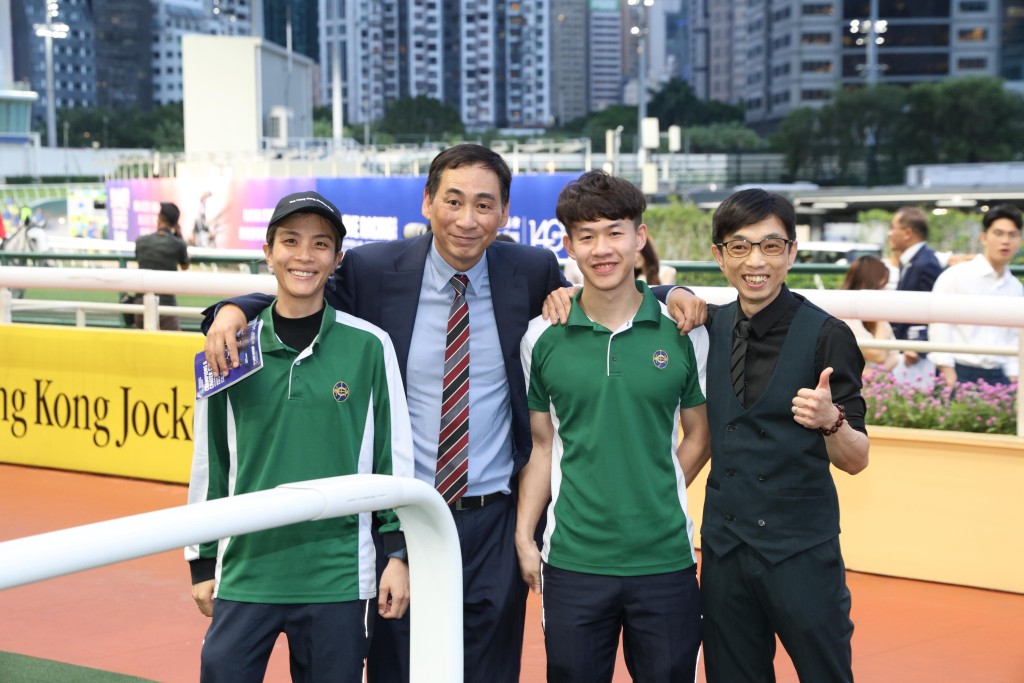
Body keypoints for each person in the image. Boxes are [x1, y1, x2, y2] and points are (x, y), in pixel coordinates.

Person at [200, 144, 707, 683]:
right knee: (397, 667)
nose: (468, 219)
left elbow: (609, 290)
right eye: (454, 201)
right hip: (405, 515)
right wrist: (232, 310)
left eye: (484, 205)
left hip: (494, 520)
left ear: (504, 213)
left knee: (490, 670)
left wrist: (674, 292)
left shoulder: (530, 270)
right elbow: (301, 288)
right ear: (427, 202)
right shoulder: (374, 270)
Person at [186, 191, 414, 682]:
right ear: (268, 253)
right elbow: (211, 459)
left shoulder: (371, 346)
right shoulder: (228, 348)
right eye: (290, 241)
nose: (304, 256)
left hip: (339, 576)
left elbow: (392, 459)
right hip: (246, 568)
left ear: (337, 259)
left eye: (320, 244)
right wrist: (201, 560)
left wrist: (398, 555)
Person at [517, 171, 709, 682]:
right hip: (573, 560)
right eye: (587, 236)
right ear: (569, 246)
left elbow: (700, 435)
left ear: (639, 237)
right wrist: (523, 535)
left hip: (665, 559)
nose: (602, 249)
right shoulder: (541, 336)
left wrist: (654, 489)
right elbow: (542, 446)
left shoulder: (684, 330)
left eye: (615, 232)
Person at [684, 188, 869, 683]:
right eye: (739, 246)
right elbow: (642, 296)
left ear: (791, 252)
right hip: (724, 549)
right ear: (719, 255)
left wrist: (831, 420)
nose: (755, 261)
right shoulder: (710, 325)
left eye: (770, 245)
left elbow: (857, 459)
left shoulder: (828, 335)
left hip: (801, 552)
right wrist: (676, 292)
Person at [928, 203, 1023, 386]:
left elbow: (1014, 337)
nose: (1006, 241)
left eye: (1013, 235)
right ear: (983, 237)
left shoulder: (1015, 288)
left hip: (1001, 376)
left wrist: (1013, 377)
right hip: (960, 370)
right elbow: (939, 326)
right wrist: (947, 370)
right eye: (998, 233)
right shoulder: (955, 276)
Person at [134, 202, 191, 330]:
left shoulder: (141, 241)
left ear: (159, 219)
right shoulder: (178, 244)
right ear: (176, 224)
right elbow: (185, 266)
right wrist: (179, 236)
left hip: (140, 302)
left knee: (143, 340)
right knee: (174, 341)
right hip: (166, 303)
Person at [840, 255, 899, 376]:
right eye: (882, 286)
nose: (884, 292)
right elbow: (878, 355)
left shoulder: (873, 314)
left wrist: (872, 374)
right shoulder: (844, 316)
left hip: (872, 384)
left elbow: (894, 357)